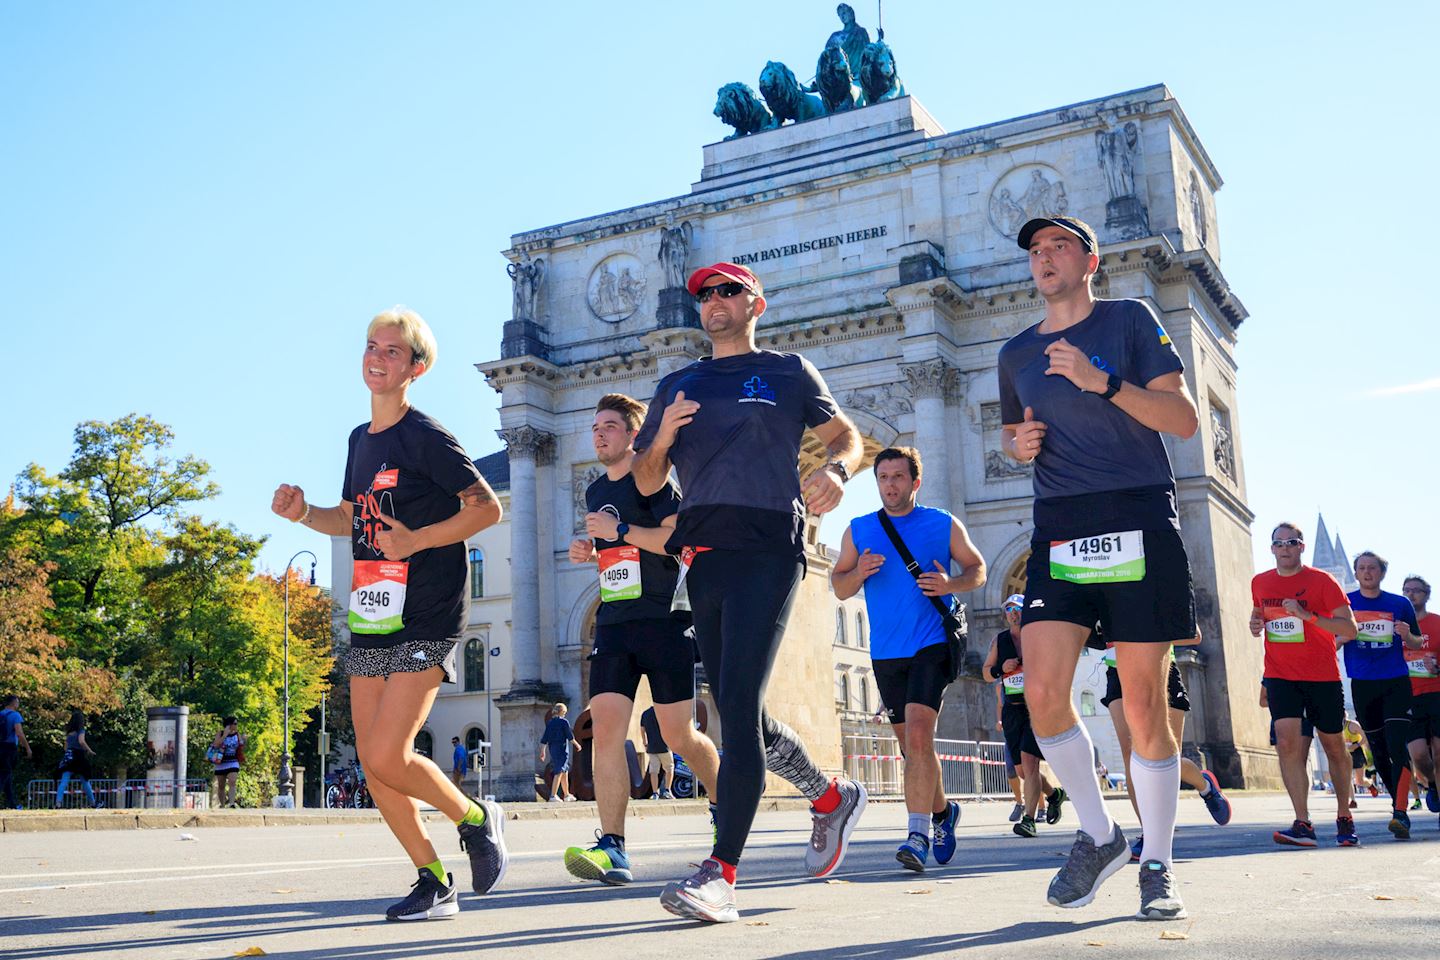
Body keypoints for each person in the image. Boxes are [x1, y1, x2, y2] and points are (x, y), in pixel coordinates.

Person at [632, 261, 868, 923]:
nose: (714, 301)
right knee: (740, 706)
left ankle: (721, 874)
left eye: (728, 290)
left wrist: (840, 470)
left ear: (755, 302)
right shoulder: (678, 383)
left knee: (734, 705)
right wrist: (667, 434)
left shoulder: (790, 372)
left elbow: (845, 435)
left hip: (770, 546)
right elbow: (649, 482)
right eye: (705, 294)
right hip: (703, 555)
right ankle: (828, 797)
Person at [270, 306, 507, 922]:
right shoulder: (359, 439)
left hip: (429, 608)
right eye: (371, 347)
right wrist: (303, 514)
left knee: (384, 754)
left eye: (393, 351)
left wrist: (417, 541)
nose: (376, 357)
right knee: (377, 767)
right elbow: (352, 518)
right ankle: (434, 879)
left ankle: (476, 818)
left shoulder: (426, 435)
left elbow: (486, 510)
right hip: (374, 612)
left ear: (417, 368)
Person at [997, 215, 1201, 921]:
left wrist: (1101, 381)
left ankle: (1158, 863)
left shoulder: (1131, 321)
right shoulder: (1015, 351)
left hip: (1137, 512)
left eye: (1059, 246)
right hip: (1061, 525)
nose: (1044, 258)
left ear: (1091, 260)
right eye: (1035, 250)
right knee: (1043, 692)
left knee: (1144, 704)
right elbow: (1008, 433)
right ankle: (1099, 833)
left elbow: (1182, 420)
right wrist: (1017, 445)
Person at [563, 394, 723, 886]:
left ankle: (724, 806)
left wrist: (622, 529)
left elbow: (676, 540)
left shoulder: (653, 479)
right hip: (615, 621)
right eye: (595, 427)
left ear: (633, 435)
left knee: (679, 735)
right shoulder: (594, 492)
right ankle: (613, 846)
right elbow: (619, 548)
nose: (599, 434)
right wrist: (590, 549)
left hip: (664, 621)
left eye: (609, 426)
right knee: (608, 731)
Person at [831, 445, 986, 871]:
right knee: (912, 749)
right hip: (885, 652)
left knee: (919, 738)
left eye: (899, 477)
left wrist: (951, 583)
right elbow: (840, 587)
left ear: (915, 482)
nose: (890, 485)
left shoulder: (941, 523)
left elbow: (978, 569)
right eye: (883, 477)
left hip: (930, 643)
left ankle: (916, 834)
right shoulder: (858, 529)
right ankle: (942, 813)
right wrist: (858, 572)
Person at [1250, 522, 1359, 846]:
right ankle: (1302, 822)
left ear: (1301, 547)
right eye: (1279, 543)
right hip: (1281, 674)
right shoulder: (1260, 582)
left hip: (1321, 675)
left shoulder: (1322, 582)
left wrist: (1308, 616)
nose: (1285, 547)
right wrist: (1256, 623)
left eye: (1292, 542)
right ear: (1271, 549)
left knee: (1334, 746)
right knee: (1287, 744)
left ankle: (1344, 815)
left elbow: (1349, 629)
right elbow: (1262, 616)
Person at [1098, 636, 1231, 860]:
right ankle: (1149, 835)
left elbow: (1195, 634)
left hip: (1160, 669)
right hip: (1118, 671)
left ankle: (1204, 784)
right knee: (1132, 755)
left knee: (1167, 760)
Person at [1344, 551, 1424, 839]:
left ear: (1381, 573)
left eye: (1372, 568)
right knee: (1377, 751)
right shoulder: (1346, 602)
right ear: (1355, 573)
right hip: (1363, 684)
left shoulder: (1399, 604)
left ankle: (1400, 811)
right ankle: (1396, 804)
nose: (1367, 572)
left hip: (1395, 681)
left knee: (1396, 745)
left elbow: (1416, 641)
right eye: (1362, 568)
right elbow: (1333, 637)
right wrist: (1341, 636)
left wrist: (1406, 634)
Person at [981, 594, 1067, 839]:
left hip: (1036, 708)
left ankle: (1029, 820)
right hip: (1012, 709)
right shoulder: (1000, 641)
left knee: (1030, 763)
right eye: (1009, 610)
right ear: (1005, 615)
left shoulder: (1037, 636)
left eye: (1017, 609)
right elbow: (986, 673)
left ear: (1025, 611)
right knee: (1021, 771)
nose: (1013, 614)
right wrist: (1001, 668)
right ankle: (1054, 794)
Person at [1400, 575, 1440, 819]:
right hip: (1409, 697)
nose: (1412, 594)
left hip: (1436, 694)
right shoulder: (1398, 626)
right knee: (1419, 755)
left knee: (1439, 750)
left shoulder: (1437, 623)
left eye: (1417, 591)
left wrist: (1436, 665)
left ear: (1426, 594)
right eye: (1407, 591)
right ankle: (1433, 784)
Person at [55, 711, 100, 809]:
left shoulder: (69, 733)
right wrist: (89, 750)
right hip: (79, 756)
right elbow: (81, 741)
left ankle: (58, 803)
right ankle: (93, 802)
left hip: (69, 756)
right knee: (85, 780)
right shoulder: (81, 730)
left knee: (64, 781)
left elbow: (65, 747)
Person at [539, 703, 581, 802]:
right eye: (565, 712)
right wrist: (577, 745)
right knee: (559, 771)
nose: (565, 714)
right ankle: (553, 795)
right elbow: (570, 737)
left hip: (553, 750)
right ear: (562, 712)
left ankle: (566, 795)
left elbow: (544, 739)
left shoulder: (550, 723)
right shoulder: (564, 722)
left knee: (564, 771)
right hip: (562, 750)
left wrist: (543, 751)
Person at [0, 695, 32, 809]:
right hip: (9, 748)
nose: (18, 704)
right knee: (5, 774)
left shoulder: (1, 714)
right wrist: (27, 748)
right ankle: (12, 804)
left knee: (6, 776)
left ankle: (12, 804)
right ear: (13, 703)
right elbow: (19, 733)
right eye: (17, 702)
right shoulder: (15, 715)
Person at [641, 707, 676, 800]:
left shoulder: (645, 713)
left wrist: (645, 742)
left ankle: (655, 793)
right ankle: (667, 791)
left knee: (654, 771)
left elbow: (642, 729)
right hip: (665, 746)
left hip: (651, 747)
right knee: (669, 768)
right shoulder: (664, 711)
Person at [211, 716, 246, 808]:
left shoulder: (237, 734)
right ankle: (222, 805)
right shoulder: (220, 733)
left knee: (232, 781)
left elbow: (241, 745)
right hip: (221, 762)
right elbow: (216, 744)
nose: (236, 725)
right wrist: (225, 735)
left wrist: (243, 740)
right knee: (221, 785)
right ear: (229, 725)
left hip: (233, 761)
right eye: (235, 723)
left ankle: (231, 803)